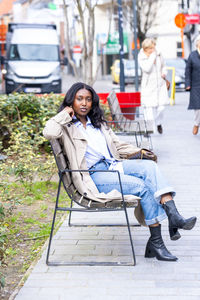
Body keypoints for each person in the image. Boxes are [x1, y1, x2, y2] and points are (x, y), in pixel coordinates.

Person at [43, 82, 197, 262]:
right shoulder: (66, 126)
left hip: (112, 165)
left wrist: (138, 152)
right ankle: (159, 239)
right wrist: (64, 114)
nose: (84, 103)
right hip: (92, 176)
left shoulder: (96, 123)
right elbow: (48, 132)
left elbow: (116, 145)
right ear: (71, 101)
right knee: (142, 187)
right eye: (79, 99)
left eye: (88, 99)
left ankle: (173, 216)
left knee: (150, 167)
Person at [138, 38, 169, 134]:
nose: (153, 50)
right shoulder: (141, 56)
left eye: (153, 47)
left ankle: (158, 123)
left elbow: (164, 66)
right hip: (148, 86)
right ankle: (149, 129)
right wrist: (152, 57)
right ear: (145, 49)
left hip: (160, 85)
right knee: (149, 109)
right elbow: (147, 68)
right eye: (150, 48)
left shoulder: (158, 54)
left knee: (161, 107)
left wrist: (164, 72)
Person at [185, 35, 200, 135]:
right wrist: (187, 84)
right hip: (195, 85)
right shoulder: (192, 55)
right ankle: (196, 123)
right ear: (197, 43)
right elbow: (188, 71)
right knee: (198, 108)